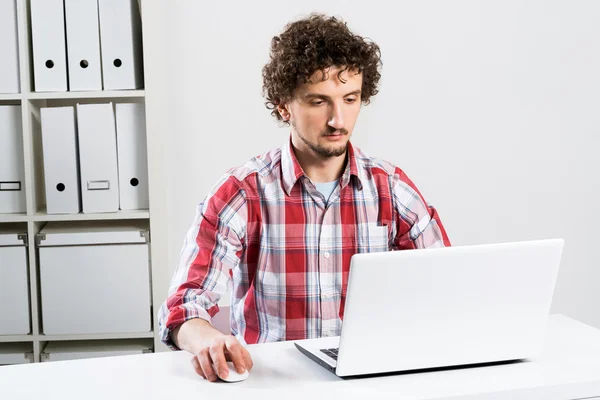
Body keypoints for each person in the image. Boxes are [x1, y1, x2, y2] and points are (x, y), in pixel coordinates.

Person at [158, 13, 451, 382]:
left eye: (350, 98)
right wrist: (207, 340)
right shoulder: (242, 193)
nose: (338, 120)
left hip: (371, 379)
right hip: (274, 383)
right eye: (318, 101)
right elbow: (184, 304)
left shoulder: (390, 187)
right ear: (284, 106)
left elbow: (445, 286)